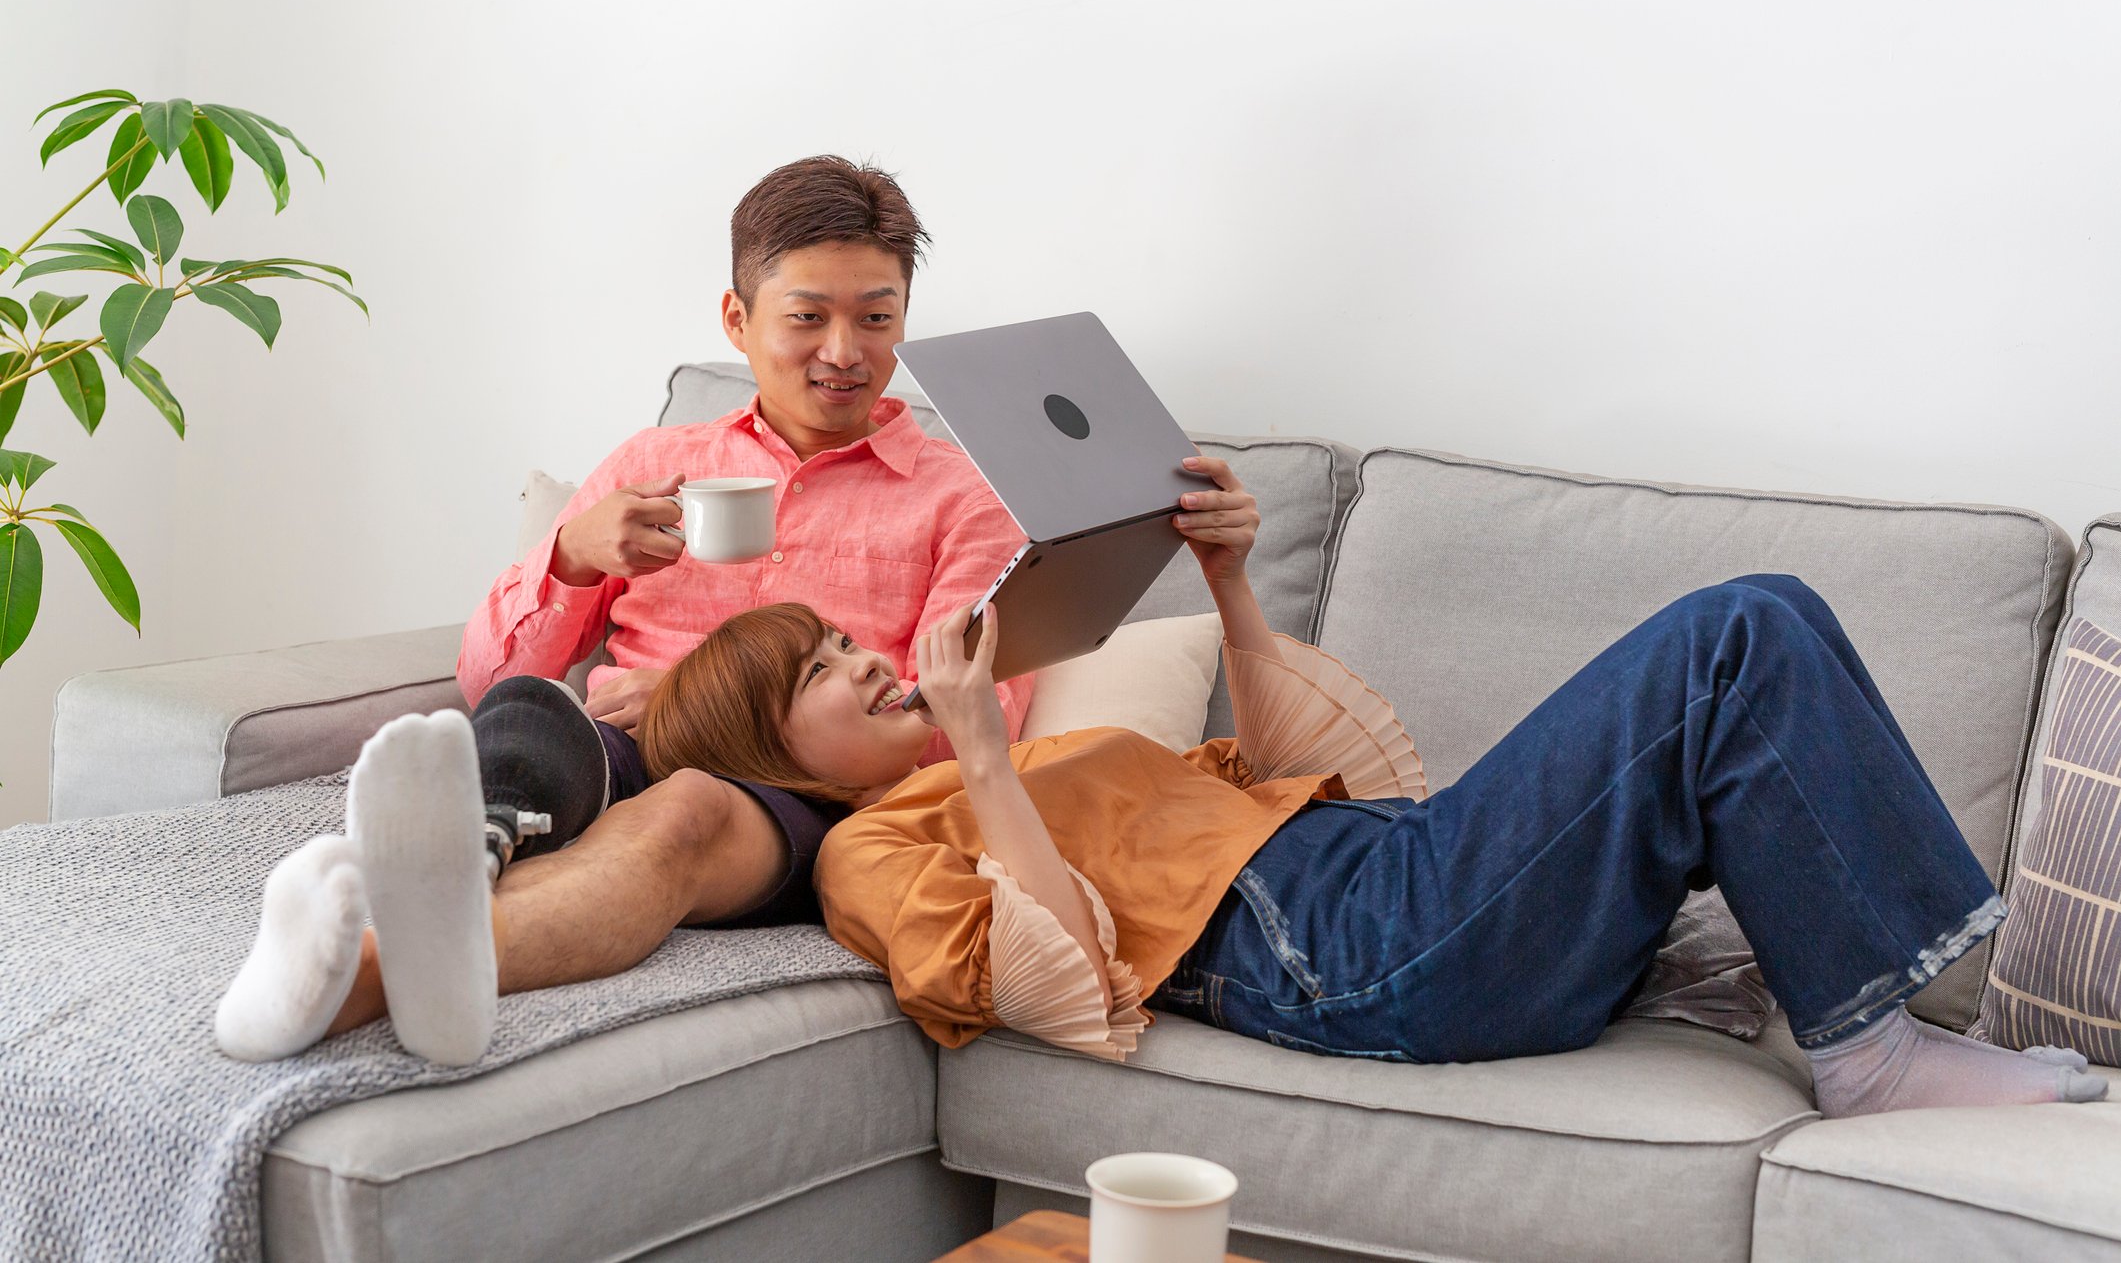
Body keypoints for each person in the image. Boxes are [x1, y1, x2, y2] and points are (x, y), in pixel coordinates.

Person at [220, 458, 2107, 1117]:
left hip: (1379, 868)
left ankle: (1865, 1018)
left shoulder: (1031, 757)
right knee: (1732, 633)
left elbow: (1337, 773)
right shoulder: (888, 847)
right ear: (780, 759)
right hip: (1359, 954)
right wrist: (968, 744)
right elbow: (1067, 997)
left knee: (1745, 639)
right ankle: (1866, 1045)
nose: (877, 658)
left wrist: (1220, 580)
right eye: (827, 679)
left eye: (858, 644)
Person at [212, 155, 1035, 1065]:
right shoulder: (654, 460)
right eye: (807, 317)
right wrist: (571, 557)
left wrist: (702, 699)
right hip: (621, 750)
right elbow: (491, 676)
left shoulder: (968, 502)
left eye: (875, 318)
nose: (844, 352)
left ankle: (359, 976)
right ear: (738, 318)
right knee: (531, 715)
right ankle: (474, 856)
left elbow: (970, 721)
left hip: (799, 792)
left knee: (686, 807)